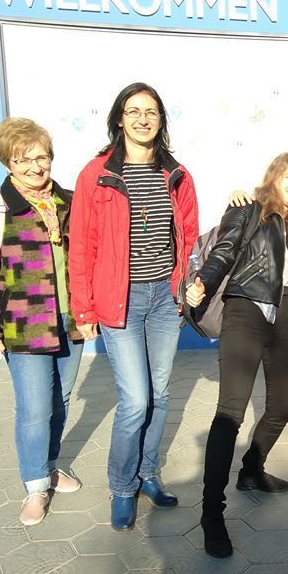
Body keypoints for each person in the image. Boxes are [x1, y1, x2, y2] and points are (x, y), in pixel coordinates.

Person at [69, 83, 199, 532]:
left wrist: (184, 287)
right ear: (119, 119)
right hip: (118, 300)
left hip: (164, 297)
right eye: (134, 111)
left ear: (161, 120)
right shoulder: (96, 174)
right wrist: (83, 310)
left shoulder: (176, 173)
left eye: (151, 112)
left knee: (160, 395)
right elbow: (81, 246)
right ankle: (122, 487)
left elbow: (188, 237)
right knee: (135, 400)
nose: (143, 119)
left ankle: (147, 474)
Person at [186, 153, 288, 558]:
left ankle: (252, 471)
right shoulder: (249, 209)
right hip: (246, 310)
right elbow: (223, 252)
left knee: (282, 407)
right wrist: (202, 284)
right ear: (273, 177)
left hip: (287, 321)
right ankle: (212, 514)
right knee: (230, 413)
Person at [0, 118, 84, 525]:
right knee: (34, 409)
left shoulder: (69, 202)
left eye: (40, 157)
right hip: (24, 324)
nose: (34, 166)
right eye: (22, 159)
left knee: (60, 401)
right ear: (8, 163)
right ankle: (34, 486)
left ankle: (49, 465)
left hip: (70, 319)